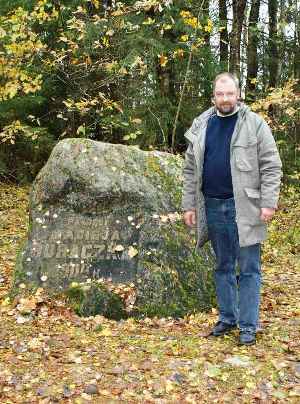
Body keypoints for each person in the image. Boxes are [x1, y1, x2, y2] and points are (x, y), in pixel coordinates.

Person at [182, 72, 282, 345]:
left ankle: (248, 326)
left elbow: (272, 166)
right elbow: (190, 169)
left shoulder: (255, 124)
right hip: (212, 206)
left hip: (246, 207)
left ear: (238, 94)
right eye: (219, 94)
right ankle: (228, 318)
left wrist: (268, 202)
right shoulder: (201, 125)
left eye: (229, 93)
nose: (225, 99)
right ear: (213, 96)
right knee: (223, 266)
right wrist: (189, 204)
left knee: (249, 268)